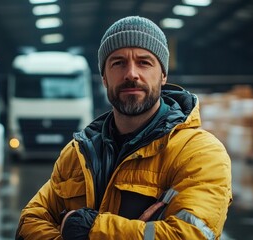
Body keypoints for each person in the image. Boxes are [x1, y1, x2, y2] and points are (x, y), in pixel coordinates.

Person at [15, 16, 232, 240]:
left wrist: (89, 230)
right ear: (104, 78)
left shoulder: (199, 153)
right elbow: (28, 223)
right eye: (118, 63)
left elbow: (191, 235)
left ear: (163, 75)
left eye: (144, 62)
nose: (131, 74)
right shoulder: (76, 154)